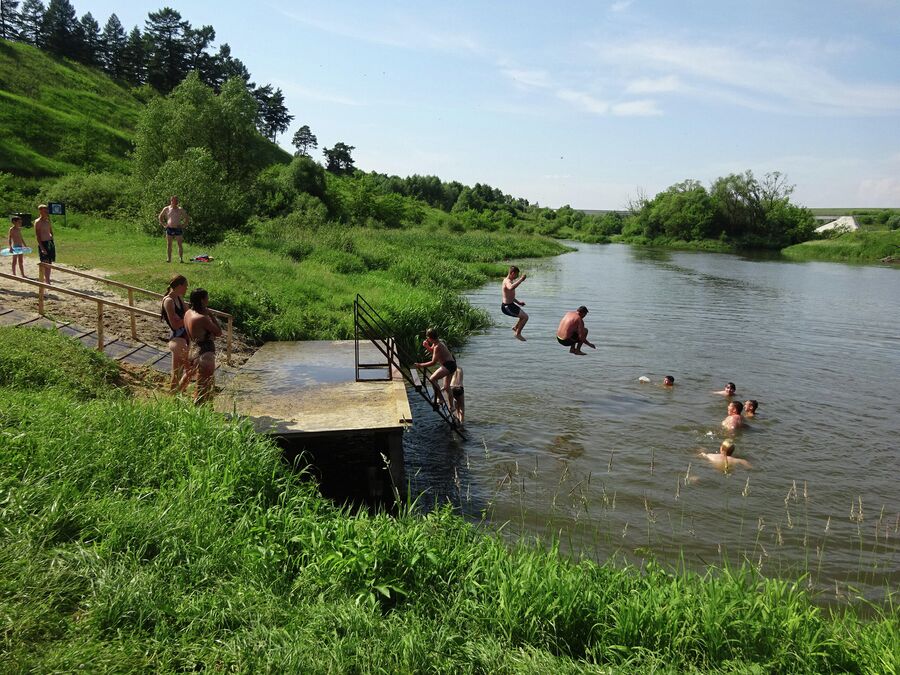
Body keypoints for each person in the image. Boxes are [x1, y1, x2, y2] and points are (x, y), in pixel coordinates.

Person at [181, 288, 222, 404]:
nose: (208, 300)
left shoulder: (188, 313)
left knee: (189, 377)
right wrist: (211, 315)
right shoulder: (202, 318)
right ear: (202, 300)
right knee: (203, 389)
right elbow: (218, 332)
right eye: (207, 298)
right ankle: (200, 413)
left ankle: (174, 397)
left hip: (193, 349)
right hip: (205, 353)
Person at [161, 274, 190, 392]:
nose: (187, 289)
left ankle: (175, 397)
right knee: (188, 370)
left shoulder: (179, 297)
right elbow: (175, 324)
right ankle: (176, 394)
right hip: (177, 338)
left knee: (179, 372)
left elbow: (187, 312)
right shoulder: (169, 301)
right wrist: (188, 319)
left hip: (184, 337)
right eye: (186, 286)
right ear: (179, 286)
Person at [414, 328, 457, 409]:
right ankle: (452, 406)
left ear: (429, 338)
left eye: (427, 337)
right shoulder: (437, 342)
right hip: (452, 364)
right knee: (447, 387)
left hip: (448, 365)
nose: (427, 339)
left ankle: (441, 399)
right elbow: (433, 352)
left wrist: (420, 365)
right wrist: (427, 346)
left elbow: (433, 362)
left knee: (432, 379)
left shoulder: (437, 346)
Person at [158, 195, 189, 263]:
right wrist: (163, 225)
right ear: (171, 201)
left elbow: (186, 218)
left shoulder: (180, 209)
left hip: (177, 228)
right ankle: (169, 259)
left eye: (176, 201)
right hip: (169, 228)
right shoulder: (167, 208)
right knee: (169, 244)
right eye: (174, 200)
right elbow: (160, 216)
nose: (175, 202)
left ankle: (181, 259)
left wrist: (183, 225)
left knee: (179, 244)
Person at [501, 265, 528, 341]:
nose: (516, 277)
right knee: (525, 317)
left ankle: (516, 327)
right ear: (512, 273)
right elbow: (510, 288)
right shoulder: (507, 281)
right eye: (516, 275)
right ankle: (517, 334)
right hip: (507, 307)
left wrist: (518, 302)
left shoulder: (510, 281)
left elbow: (509, 296)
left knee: (523, 317)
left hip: (511, 305)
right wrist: (521, 280)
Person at [34, 204, 55, 284]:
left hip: (49, 243)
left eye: (47, 210)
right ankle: (44, 280)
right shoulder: (38, 222)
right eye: (44, 210)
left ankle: (47, 280)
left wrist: (51, 237)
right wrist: (42, 248)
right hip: (43, 243)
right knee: (44, 262)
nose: (46, 211)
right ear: (40, 211)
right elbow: (37, 235)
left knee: (49, 262)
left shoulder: (47, 221)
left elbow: (51, 232)